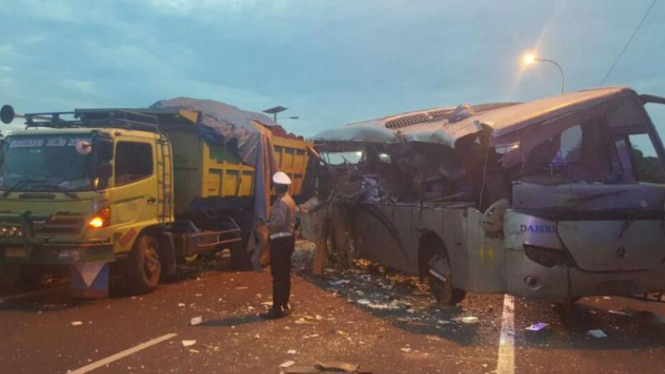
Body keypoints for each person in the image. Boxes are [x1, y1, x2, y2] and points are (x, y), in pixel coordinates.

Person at [259, 171, 297, 319]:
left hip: (280, 241)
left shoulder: (281, 202)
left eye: (275, 186)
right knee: (285, 273)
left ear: (278, 187)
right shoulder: (290, 200)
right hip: (288, 240)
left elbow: (279, 222)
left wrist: (267, 225)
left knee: (278, 274)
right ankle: (284, 304)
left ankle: (276, 309)